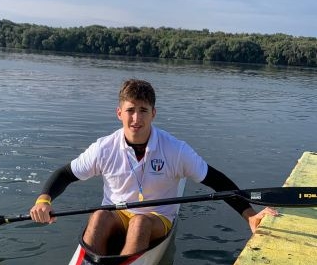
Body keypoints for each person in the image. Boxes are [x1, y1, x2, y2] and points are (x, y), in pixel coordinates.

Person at [30, 79, 277, 255]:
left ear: (153, 113)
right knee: (98, 216)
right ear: (119, 113)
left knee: (140, 223)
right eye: (130, 110)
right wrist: (44, 201)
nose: (136, 118)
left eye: (143, 111)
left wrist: (249, 215)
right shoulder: (104, 147)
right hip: (117, 214)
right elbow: (64, 174)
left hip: (157, 218)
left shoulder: (175, 150)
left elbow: (217, 181)